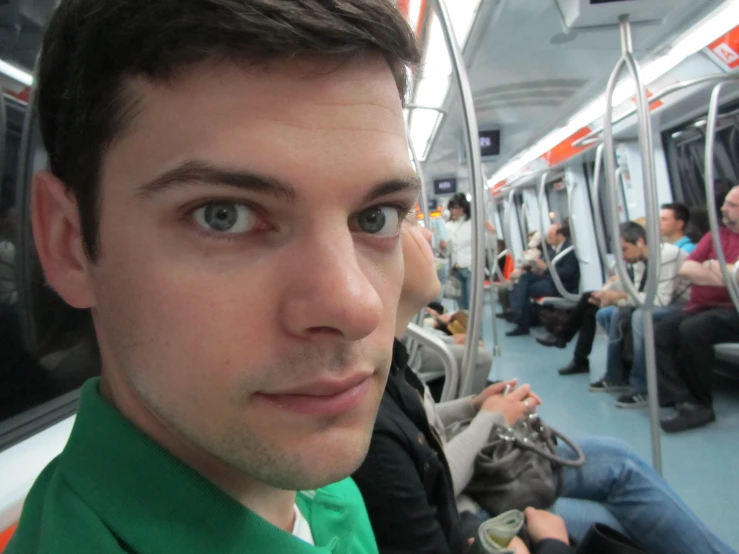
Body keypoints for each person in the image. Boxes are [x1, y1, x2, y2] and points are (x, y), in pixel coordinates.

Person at [7, 1, 422, 552]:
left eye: (377, 218)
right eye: (223, 215)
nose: (357, 307)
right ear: (70, 243)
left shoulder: (322, 493)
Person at [352, 215, 736, 554]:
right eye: (398, 222)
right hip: (466, 506)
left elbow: (419, 420)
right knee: (614, 508)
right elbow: (433, 485)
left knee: (617, 457)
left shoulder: (392, 363)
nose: (425, 236)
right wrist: (489, 419)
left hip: (467, 484)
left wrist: (472, 406)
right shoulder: (370, 414)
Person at [537, 222, 688, 381]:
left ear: (640, 242)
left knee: (633, 315)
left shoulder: (666, 256)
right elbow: (638, 294)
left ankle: (639, 381)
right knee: (591, 300)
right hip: (662, 301)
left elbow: (659, 299)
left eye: (624, 249)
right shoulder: (639, 259)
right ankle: (604, 369)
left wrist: (618, 298)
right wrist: (610, 296)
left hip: (680, 304)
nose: (622, 256)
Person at [656, 186, 739, 432]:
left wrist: (716, 269)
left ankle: (701, 405)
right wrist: (726, 276)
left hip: (732, 309)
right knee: (662, 331)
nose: (723, 209)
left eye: (731, 205)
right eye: (725, 203)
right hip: (703, 306)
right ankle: (681, 397)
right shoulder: (716, 235)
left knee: (694, 330)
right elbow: (687, 269)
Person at [506, 224, 579, 337]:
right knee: (524, 277)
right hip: (552, 281)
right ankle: (517, 313)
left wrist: (545, 268)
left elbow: (567, 274)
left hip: (562, 286)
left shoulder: (569, 251)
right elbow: (551, 270)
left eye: (550, 236)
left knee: (524, 288)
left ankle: (519, 317)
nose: (548, 239)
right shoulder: (555, 250)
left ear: (560, 236)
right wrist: (539, 269)